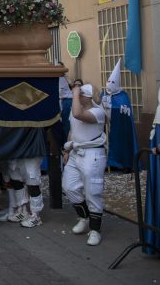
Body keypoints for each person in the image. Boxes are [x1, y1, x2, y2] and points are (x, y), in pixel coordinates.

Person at [62, 83, 107, 246]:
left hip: (92, 154)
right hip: (76, 152)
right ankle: (84, 217)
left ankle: (95, 230)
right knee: (69, 187)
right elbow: (72, 130)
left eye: (81, 94)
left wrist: (75, 93)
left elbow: (78, 114)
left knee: (92, 192)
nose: (77, 96)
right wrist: (67, 150)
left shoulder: (98, 112)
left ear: (87, 97)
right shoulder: (76, 107)